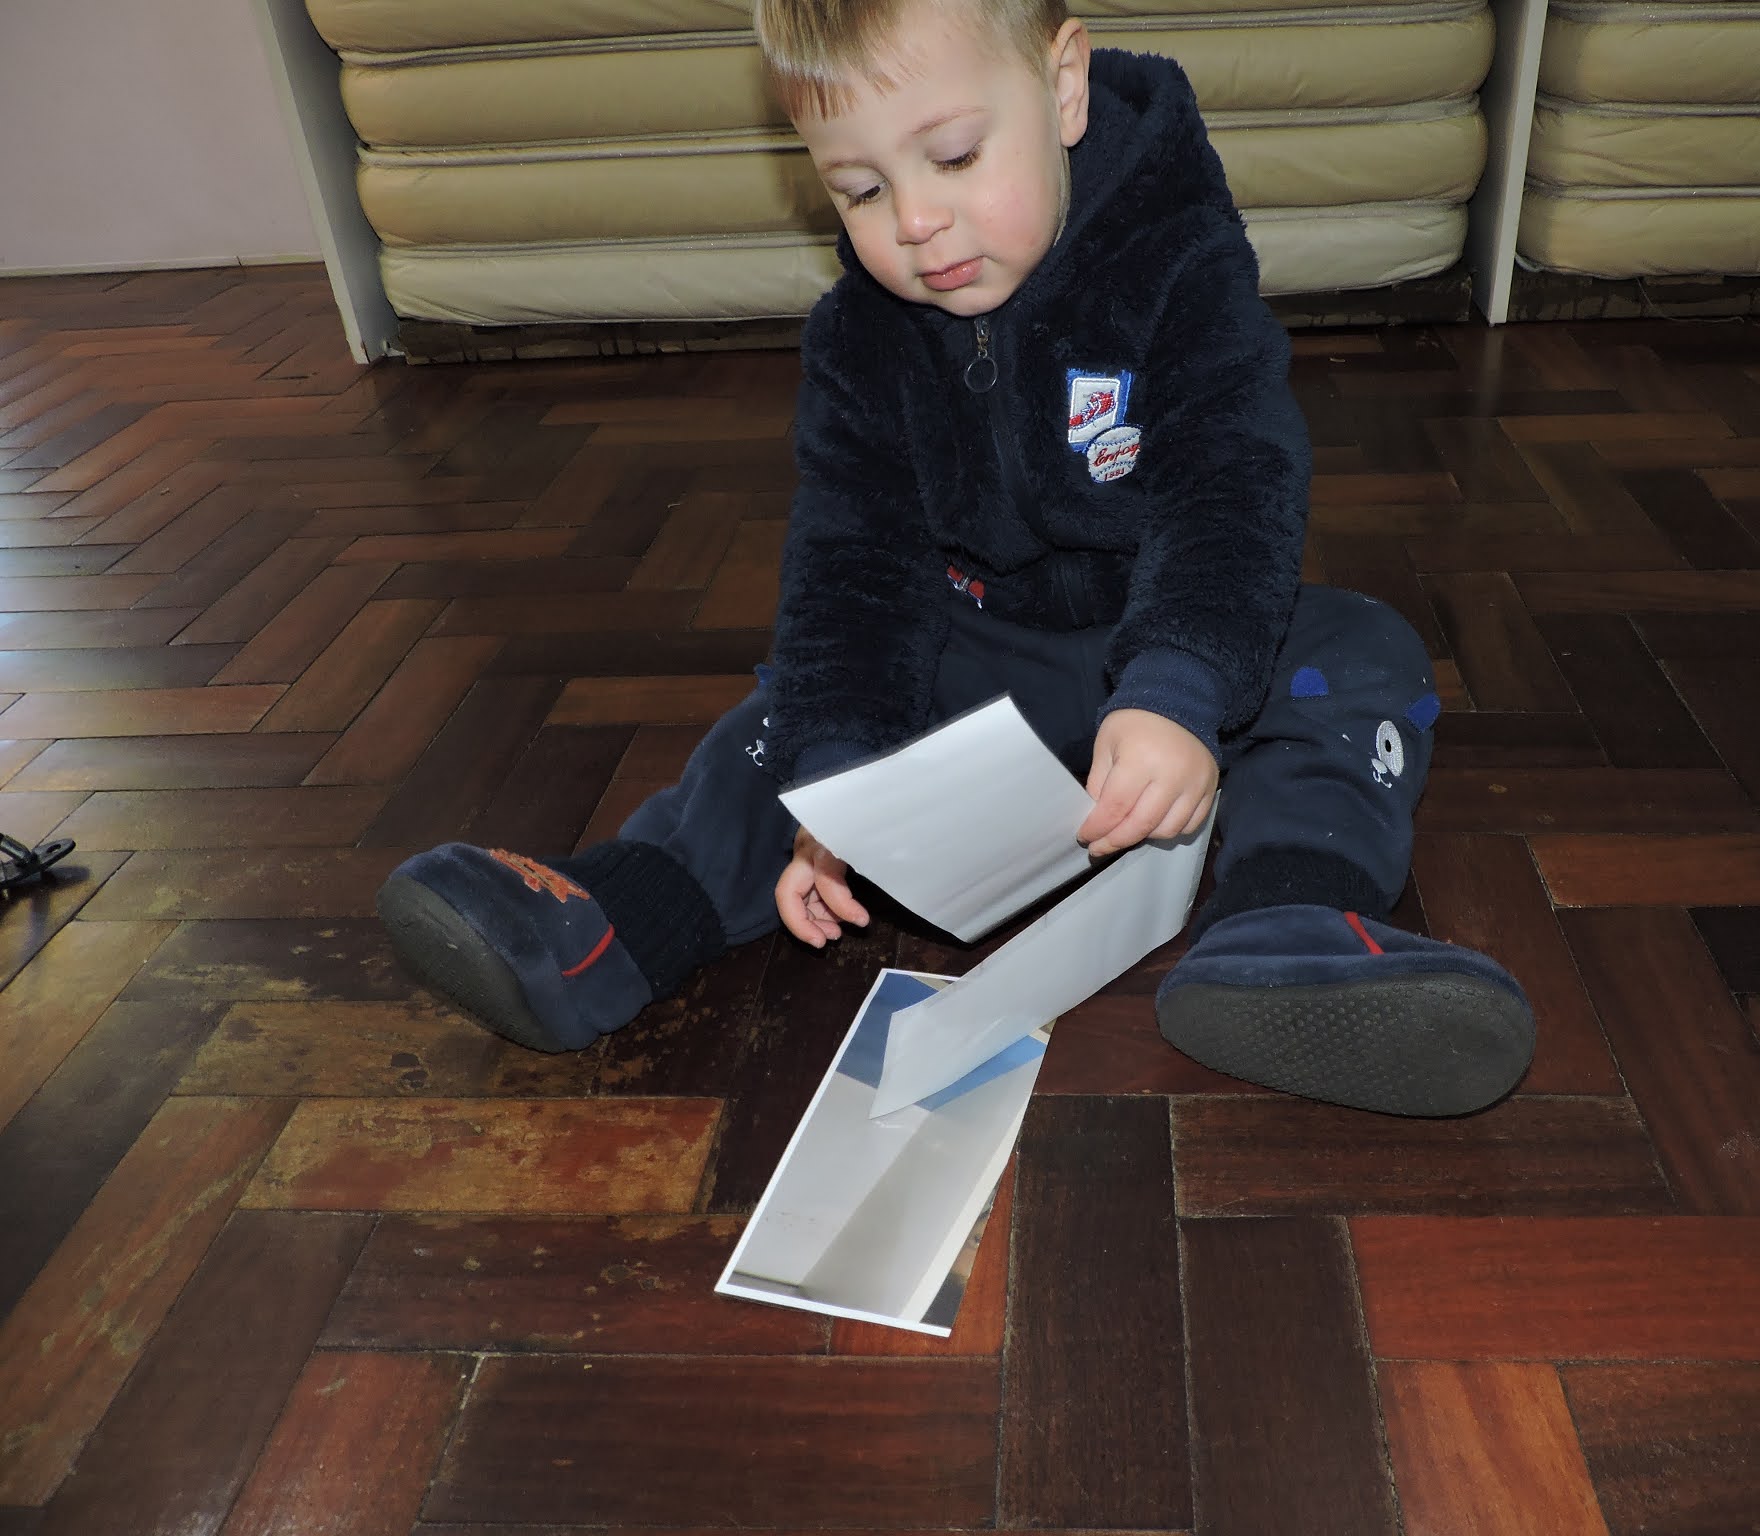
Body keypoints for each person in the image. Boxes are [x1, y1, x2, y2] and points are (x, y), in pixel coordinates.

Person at [377, 0, 1537, 1116]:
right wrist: (842, 790)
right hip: (985, 659)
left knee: (1359, 655)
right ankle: (618, 923)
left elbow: (1231, 486)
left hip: (1173, 638)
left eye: (952, 156)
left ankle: (1287, 921)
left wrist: (1179, 690)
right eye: (860, 189)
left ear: (1063, 86)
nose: (914, 220)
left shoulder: (1177, 262)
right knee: (790, 716)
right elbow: (850, 566)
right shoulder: (858, 340)